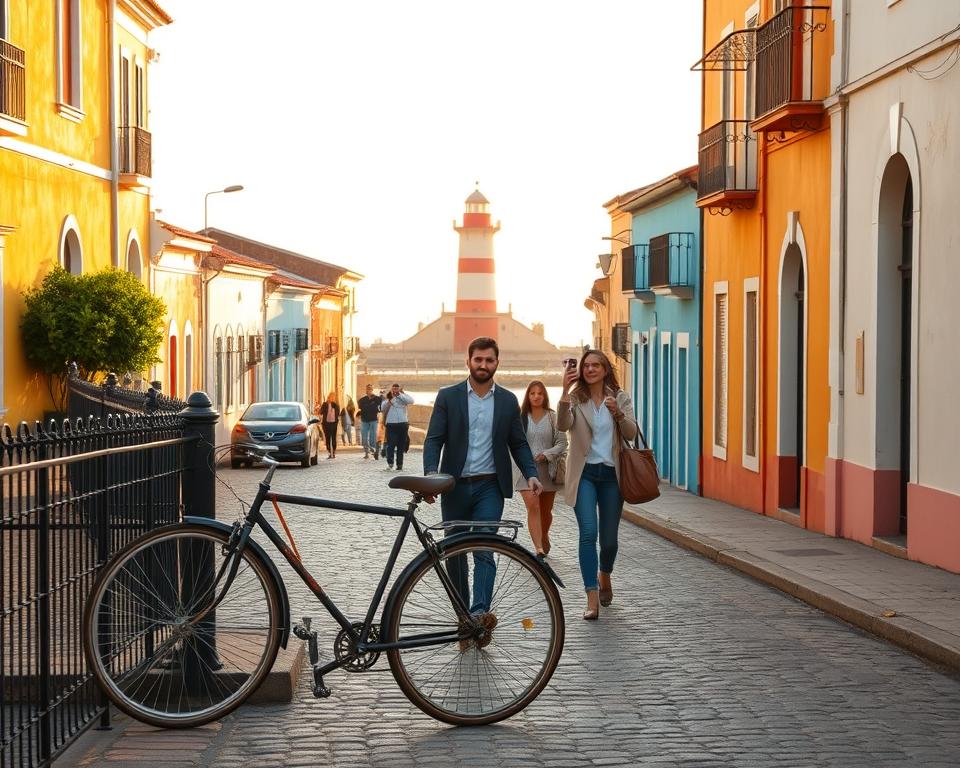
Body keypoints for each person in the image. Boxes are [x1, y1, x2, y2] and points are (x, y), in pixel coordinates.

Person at [423, 337, 542, 621]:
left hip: (490, 486)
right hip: (454, 487)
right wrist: (431, 475)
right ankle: (463, 616)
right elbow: (434, 439)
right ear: (469, 361)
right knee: (455, 554)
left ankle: (479, 613)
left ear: (496, 363)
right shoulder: (448, 396)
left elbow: (519, 443)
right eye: (478, 359)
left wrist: (531, 474)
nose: (483, 365)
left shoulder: (507, 400)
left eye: (489, 360)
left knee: (486, 547)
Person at [557, 349, 637, 621]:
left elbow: (631, 433)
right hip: (585, 475)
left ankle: (605, 574)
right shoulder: (576, 399)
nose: (590, 369)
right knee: (588, 533)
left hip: (612, 476)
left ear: (605, 369)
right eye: (586, 365)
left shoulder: (620, 397)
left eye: (595, 365)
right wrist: (564, 391)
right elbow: (562, 424)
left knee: (610, 541)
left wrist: (618, 414)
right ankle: (591, 597)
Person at [515, 380, 567, 557]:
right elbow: (512, 442)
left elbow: (562, 443)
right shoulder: (520, 417)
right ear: (528, 396)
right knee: (533, 506)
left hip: (548, 471)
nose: (536, 396)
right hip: (525, 471)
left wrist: (547, 454)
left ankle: (544, 535)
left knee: (546, 512)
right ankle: (538, 548)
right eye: (532, 393)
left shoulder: (553, 417)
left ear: (544, 396)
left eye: (540, 393)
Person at [380, 383, 414, 470]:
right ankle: (390, 463)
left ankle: (400, 465)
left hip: (403, 424)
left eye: (396, 389)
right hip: (391, 424)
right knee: (391, 445)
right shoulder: (388, 399)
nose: (395, 391)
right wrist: (391, 398)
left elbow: (411, 401)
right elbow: (382, 407)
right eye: (393, 389)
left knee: (401, 446)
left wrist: (399, 395)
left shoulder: (403, 397)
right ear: (391, 390)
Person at [356, 384, 383, 459]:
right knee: (364, 437)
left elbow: (381, 404)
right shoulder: (362, 400)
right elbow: (360, 408)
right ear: (366, 390)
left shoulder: (377, 399)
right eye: (368, 389)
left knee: (372, 437)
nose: (369, 390)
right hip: (364, 420)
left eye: (370, 389)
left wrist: (379, 396)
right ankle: (366, 452)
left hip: (373, 420)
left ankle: (373, 450)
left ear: (372, 390)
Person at [318, 392, 340, 459]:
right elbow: (321, 412)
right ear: (328, 397)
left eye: (333, 397)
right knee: (327, 438)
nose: (332, 398)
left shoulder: (335, 405)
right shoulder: (324, 404)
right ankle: (329, 452)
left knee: (333, 438)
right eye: (331, 397)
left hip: (333, 424)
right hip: (326, 424)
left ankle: (333, 452)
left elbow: (338, 413)